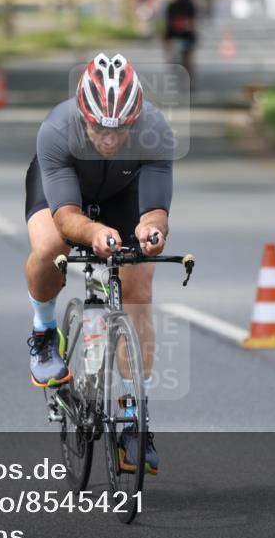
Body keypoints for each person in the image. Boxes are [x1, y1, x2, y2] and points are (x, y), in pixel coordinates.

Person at [24, 53, 174, 474]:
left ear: (137, 120)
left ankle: (132, 413)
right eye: (98, 128)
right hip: (64, 191)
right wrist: (93, 233)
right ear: (83, 115)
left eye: (120, 130)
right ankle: (42, 330)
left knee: (139, 288)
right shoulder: (57, 129)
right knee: (50, 245)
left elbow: (156, 209)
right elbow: (67, 216)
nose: (109, 139)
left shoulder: (156, 130)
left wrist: (151, 230)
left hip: (123, 191)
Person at [164, 0, 197, 86]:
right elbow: (192, 22)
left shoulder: (172, 5)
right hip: (187, 35)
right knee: (188, 59)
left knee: (171, 53)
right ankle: (190, 82)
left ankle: (171, 64)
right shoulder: (190, 5)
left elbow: (168, 22)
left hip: (173, 35)